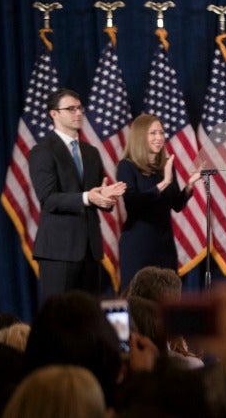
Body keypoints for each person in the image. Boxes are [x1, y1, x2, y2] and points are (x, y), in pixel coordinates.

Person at [28, 88, 126, 303]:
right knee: (59, 319)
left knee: (89, 319)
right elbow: (48, 199)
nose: (78, 113)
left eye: (80, 108)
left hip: (91, 250)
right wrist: (87, 197)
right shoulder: (43, 150)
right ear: (54, 114)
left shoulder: (91, 152)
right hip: (59, 250)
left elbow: (97, 194)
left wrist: (106, 197)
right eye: (71, 109)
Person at [117, 114, 201, 287]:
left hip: (165, 245)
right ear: (140, 136)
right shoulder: (127, 166)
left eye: (161, 133)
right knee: (138, 299)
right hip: (138, 245)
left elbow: (176, 204)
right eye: (153, 133)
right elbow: (133, 203)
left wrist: (189, 186)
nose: (159, 138)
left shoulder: (166, 166)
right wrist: (164, 183)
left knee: (167, 298)